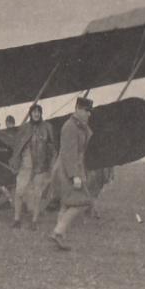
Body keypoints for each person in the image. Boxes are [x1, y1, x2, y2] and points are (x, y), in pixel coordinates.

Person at [49, 97, 95, 250]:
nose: (88, 114)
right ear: (77, 109)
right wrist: (75, 175)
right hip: (67, 170)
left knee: (66, 203)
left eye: (89, 111)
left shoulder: (79, 127)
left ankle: (60, 238)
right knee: (82, 201)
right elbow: (69, 153)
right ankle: (58, 232)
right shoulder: (71, 127)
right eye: (86, 111)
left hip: (70, 168)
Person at [9, 103, 57, 230]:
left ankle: (34, 221)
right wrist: (15, 162)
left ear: (41, 113)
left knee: (37, 194)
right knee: (19, 192)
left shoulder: (47, 127)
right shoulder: (24, 128)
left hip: (40, 167)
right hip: (25, 166)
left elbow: (52, 149)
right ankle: (16, 219)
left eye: (38, 112)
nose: (36, 114)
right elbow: (17, 147)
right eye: (34, 112)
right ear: (30, 113)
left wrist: (51, 165)